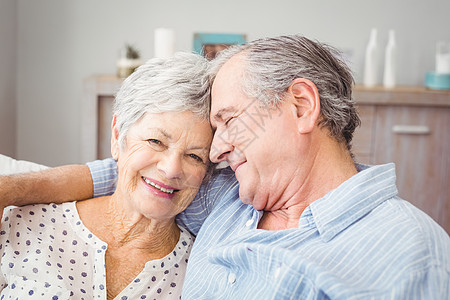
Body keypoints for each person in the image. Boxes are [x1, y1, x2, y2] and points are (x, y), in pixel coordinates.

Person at [1, 35, 449, 299]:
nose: (214, 152)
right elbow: (136, 171)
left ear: (302, 106)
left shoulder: (412, 251)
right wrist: (10, 190)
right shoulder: (228, 198)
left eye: (229, 121)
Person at [0, 52, 213, 299]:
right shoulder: (24, 223)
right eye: (156, 141)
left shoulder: (202, 273)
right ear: (116, 136)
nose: (172, 169)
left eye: (195, 156)